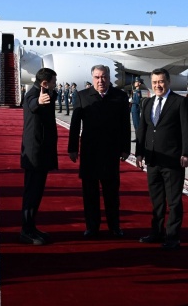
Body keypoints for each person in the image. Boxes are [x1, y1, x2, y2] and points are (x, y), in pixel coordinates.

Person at [68, 65, 131, 238]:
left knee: (112, 193)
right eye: (97, 77)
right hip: (90, 152)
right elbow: (75, 124)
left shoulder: (120, 96)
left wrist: (126, 148)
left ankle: (114, 227)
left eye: (103, 77)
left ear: (109, 78)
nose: (100, 80)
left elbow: (125, 124)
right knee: (90, 193)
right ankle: (92, 227)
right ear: (92, 78)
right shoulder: (82, 96)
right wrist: (72, 148)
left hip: (111, 151)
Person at [136, 68, 188, 250]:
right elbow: (143, 129)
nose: (157, 85)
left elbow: (187, 129)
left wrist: (186, 153)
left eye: (161, 82)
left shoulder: (179, 102)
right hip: (153, 159)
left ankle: (173, 236)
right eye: (154, 82)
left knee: (174, 201)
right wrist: (139, 153)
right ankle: (156, 232)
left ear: (168, 82)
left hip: (172, 160)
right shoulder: (147, 102)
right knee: (156, 200)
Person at [20, 68, 59, 245]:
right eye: (53, 82)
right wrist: (39, 101)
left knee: (37, 193)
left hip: (42, 153)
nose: (55, 85)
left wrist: (48, 94)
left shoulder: (46, 93)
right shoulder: (33, 95)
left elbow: (51, 97)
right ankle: (26, 231)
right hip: (35, 154)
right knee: (32, 193)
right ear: (44, 83)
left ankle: (31, 227)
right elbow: (32, 104)